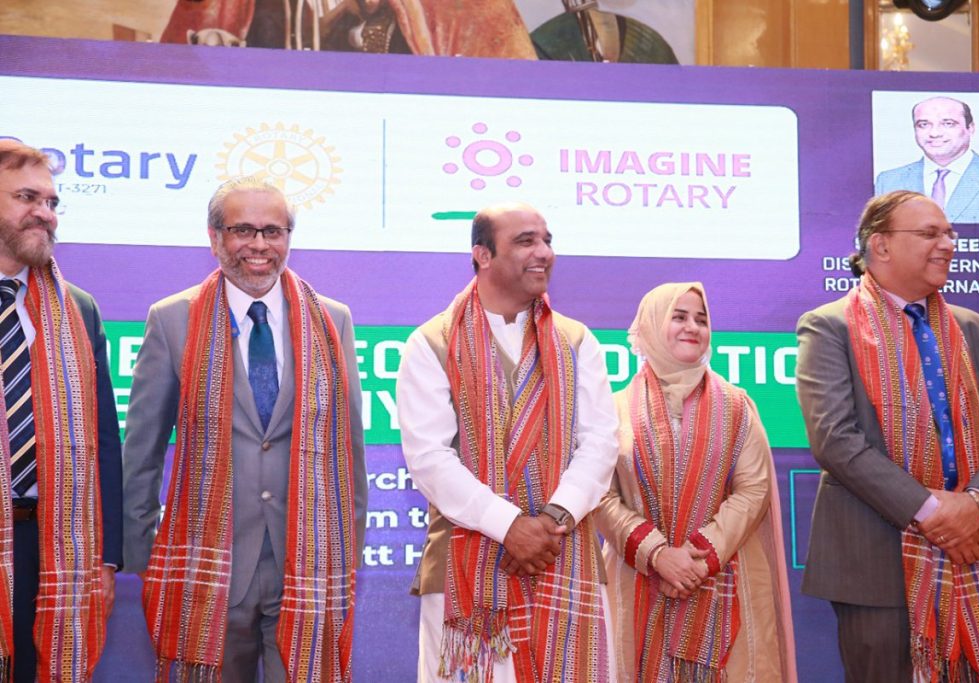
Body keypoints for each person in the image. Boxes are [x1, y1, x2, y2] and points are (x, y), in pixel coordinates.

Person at [122, 176, 367, 682]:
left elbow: (349, 451)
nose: (259, 245)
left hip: (307, 566)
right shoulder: (173, 320)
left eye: (273, 231)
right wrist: (146, 555)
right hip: (207, 567)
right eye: (243, 230)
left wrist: (347, 548)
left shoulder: (332, 320)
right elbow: (142, 450)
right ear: (215, 238)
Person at [796, 190, 979, 681]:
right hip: (875, 564)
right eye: (929, 234)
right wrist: (935, 514)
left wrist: (977, 504)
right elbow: (836, 439)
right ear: (880, 245)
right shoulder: (828, 327)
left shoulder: (978, 330)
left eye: (949, 233)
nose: (948, 244)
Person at [396, 202, 618, 682]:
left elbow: (600, 443)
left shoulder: (577, 341)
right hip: (466, 573)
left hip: (563, 557)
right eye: (525, 241)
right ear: (483, 255)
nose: (544, 253)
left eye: (547, 241)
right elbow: (431, 460)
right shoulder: (431, 343)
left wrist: (551, 521)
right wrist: (510, 526)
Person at [594, 282, 796, 682]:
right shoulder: (614, 409)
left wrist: (697, 559)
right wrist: (657, 554)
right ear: (651, 325)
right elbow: (600, 494)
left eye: (701, 320)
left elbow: (753, 489)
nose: (692, 327)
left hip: (724, 575)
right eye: (679, 316)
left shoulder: (737, 406)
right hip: (637, 576)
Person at [0, 140, 122, 682]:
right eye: (27, 197)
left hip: (56, 545)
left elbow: (105, 441)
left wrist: (107, 557)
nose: (45, 213)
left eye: (51, 202)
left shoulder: (78, 308)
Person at [874, 96, 979, 223]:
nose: (934, 133)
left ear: (970, 128)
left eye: (948, 124)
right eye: (924, 124)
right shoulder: (889, 181)